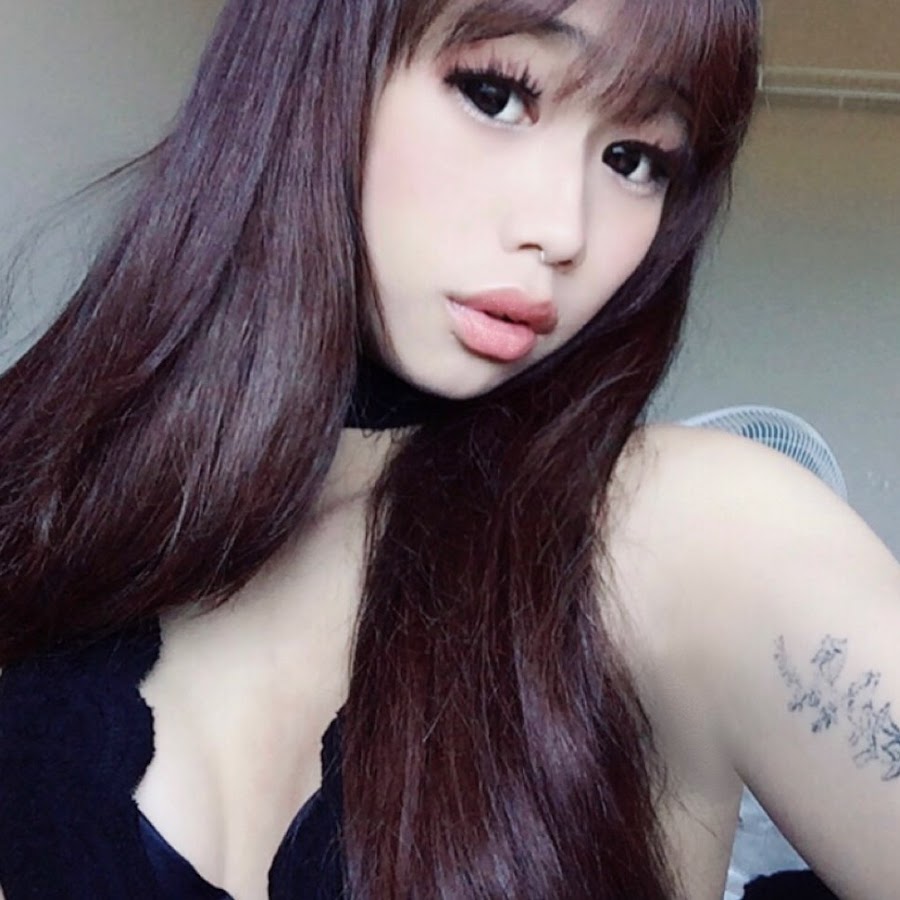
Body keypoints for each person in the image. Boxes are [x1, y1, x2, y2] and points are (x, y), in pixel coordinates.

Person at [0, 0, 897, 898]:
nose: (563, 230)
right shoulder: (37, 485)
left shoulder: (696, 534)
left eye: (635, 159)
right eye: (496, 94)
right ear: (315, 65)